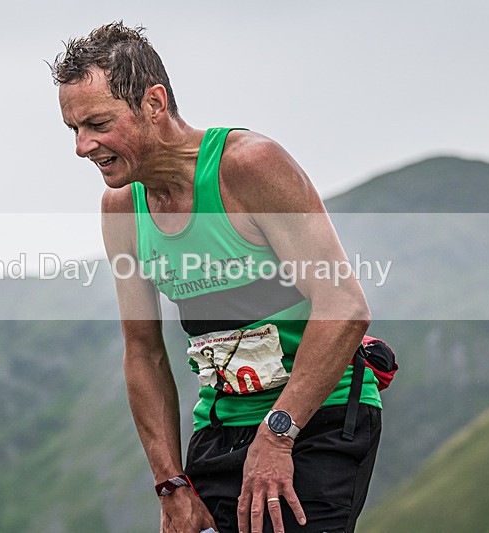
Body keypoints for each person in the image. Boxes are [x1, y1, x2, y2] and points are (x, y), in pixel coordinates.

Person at [51, 22, 382, 533]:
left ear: (154, 104)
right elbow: (143, 350)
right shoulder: (122, 209)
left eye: (97, 123)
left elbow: (344, 305)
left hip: (319, 418)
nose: (82, 146)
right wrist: (170, 483)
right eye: (73, 129)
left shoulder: (248, 167)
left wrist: (277, 436)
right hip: (223, 423)